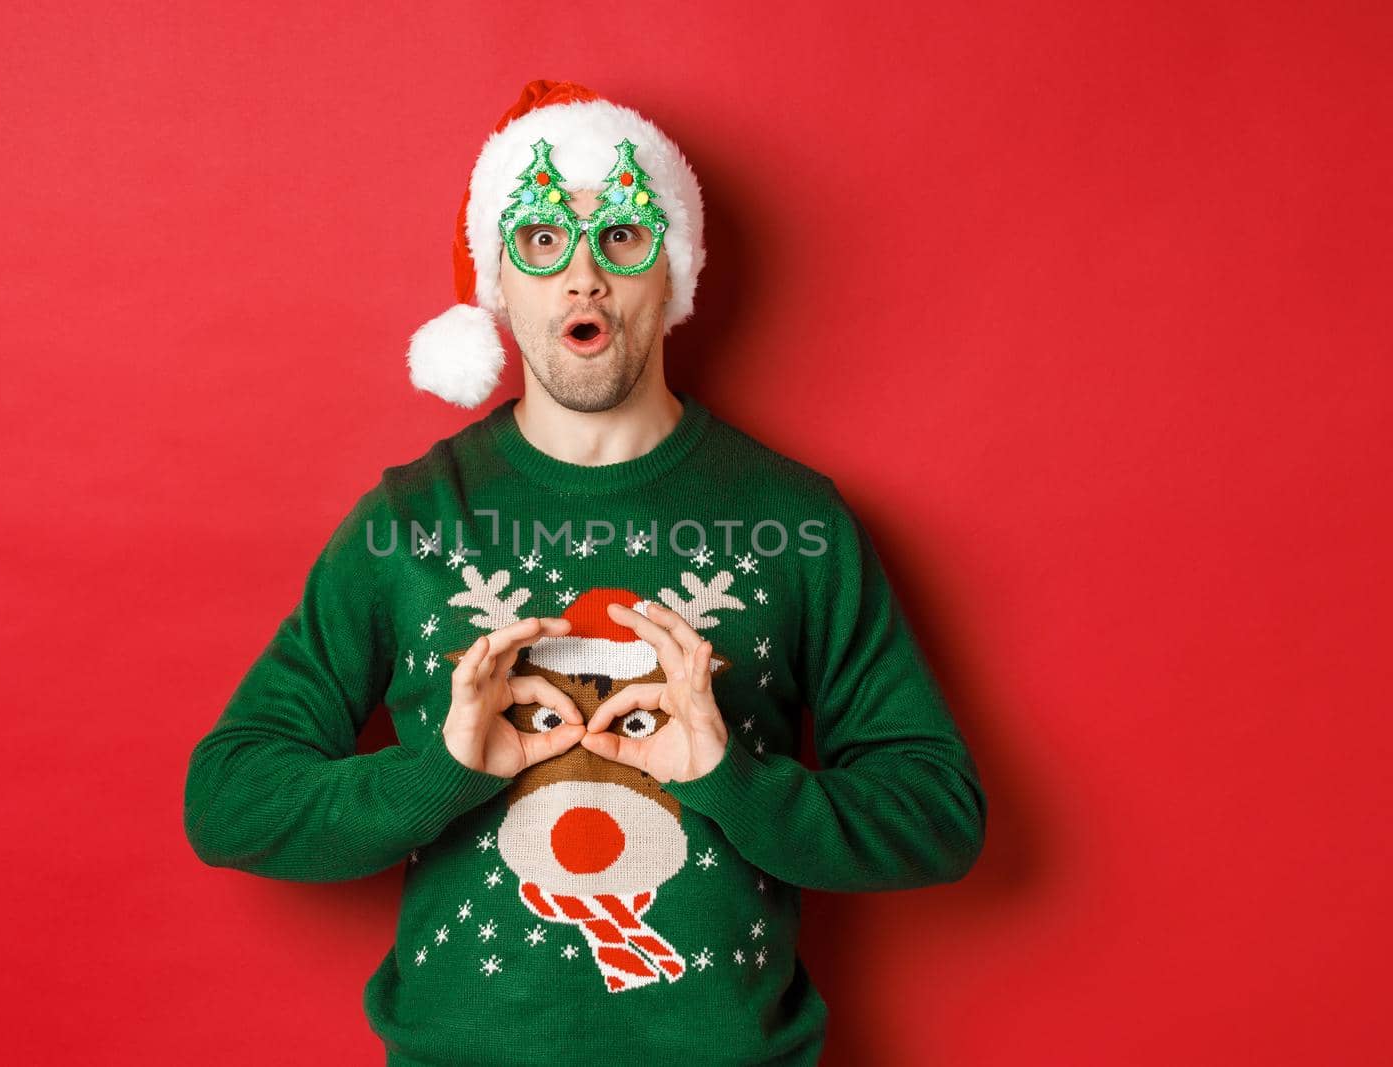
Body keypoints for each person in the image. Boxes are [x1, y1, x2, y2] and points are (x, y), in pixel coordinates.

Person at [183, 79, 986, 1066]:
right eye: (539, 242)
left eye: (619, 236)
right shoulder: (410, 524)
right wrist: (444, 768)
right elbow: (229, 799)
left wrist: (729, 777)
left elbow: (939, 813)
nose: (582, 279)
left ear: (674, 272)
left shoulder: (797, 522)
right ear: (497, 283)